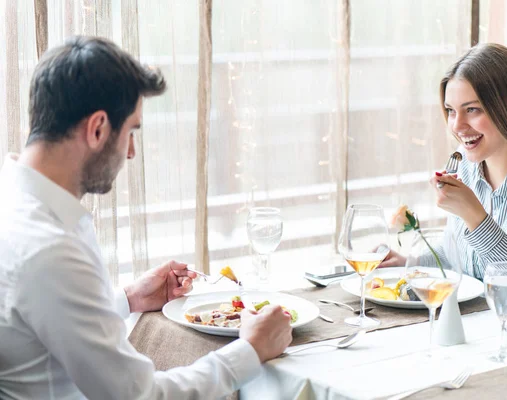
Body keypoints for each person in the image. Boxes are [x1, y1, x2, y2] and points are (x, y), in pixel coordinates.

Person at [0, 36, 292, 399]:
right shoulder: (50, 248)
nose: (132, 152)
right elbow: (140, 396)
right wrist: (251, 350)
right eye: (132, 131)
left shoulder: (15, 202)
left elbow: (43, 320)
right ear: (97, 129)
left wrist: (128, 298)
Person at [381, 43, 507, 320]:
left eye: (473, 110)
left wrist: (475, 216)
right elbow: (460, 252)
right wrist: (409, 263)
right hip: (483, 329)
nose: (457, 126)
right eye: (451, 111)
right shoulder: (466, 169)